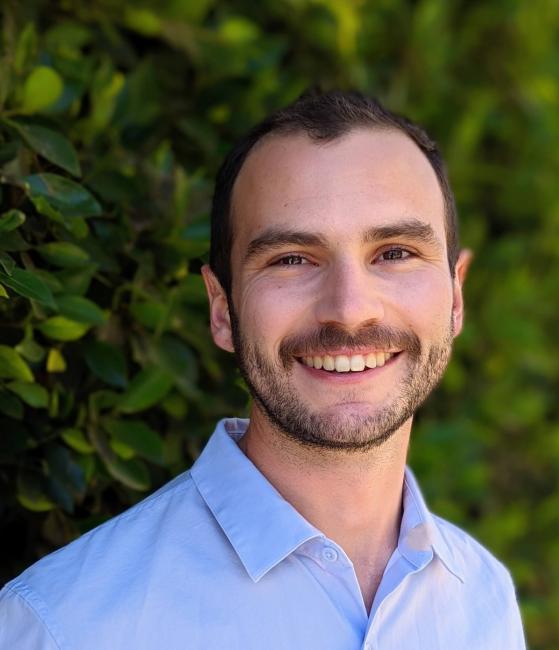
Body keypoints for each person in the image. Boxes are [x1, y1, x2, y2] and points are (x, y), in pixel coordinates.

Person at [0, 90, 526, 649]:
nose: (349, 310)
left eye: (394, 252)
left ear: (455, 298)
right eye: (291, 259)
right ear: (222, 309)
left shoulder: (483, 596)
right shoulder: (60, 627)